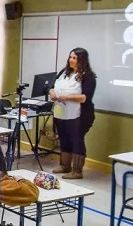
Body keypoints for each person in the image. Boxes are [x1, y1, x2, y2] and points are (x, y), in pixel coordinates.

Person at [49, 47, 97, 180]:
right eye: (70, 57)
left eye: (75, 58)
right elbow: (51, 86)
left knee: (76, 140)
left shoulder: (89, 77)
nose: (71, 60)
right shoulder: (64, 72)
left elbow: (85, 97)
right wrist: (52, 93)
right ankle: (65, 165)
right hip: (61, 112)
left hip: (79, 115)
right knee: (63, 138)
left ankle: (77, 170)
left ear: (82, 60)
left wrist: (67, 97)